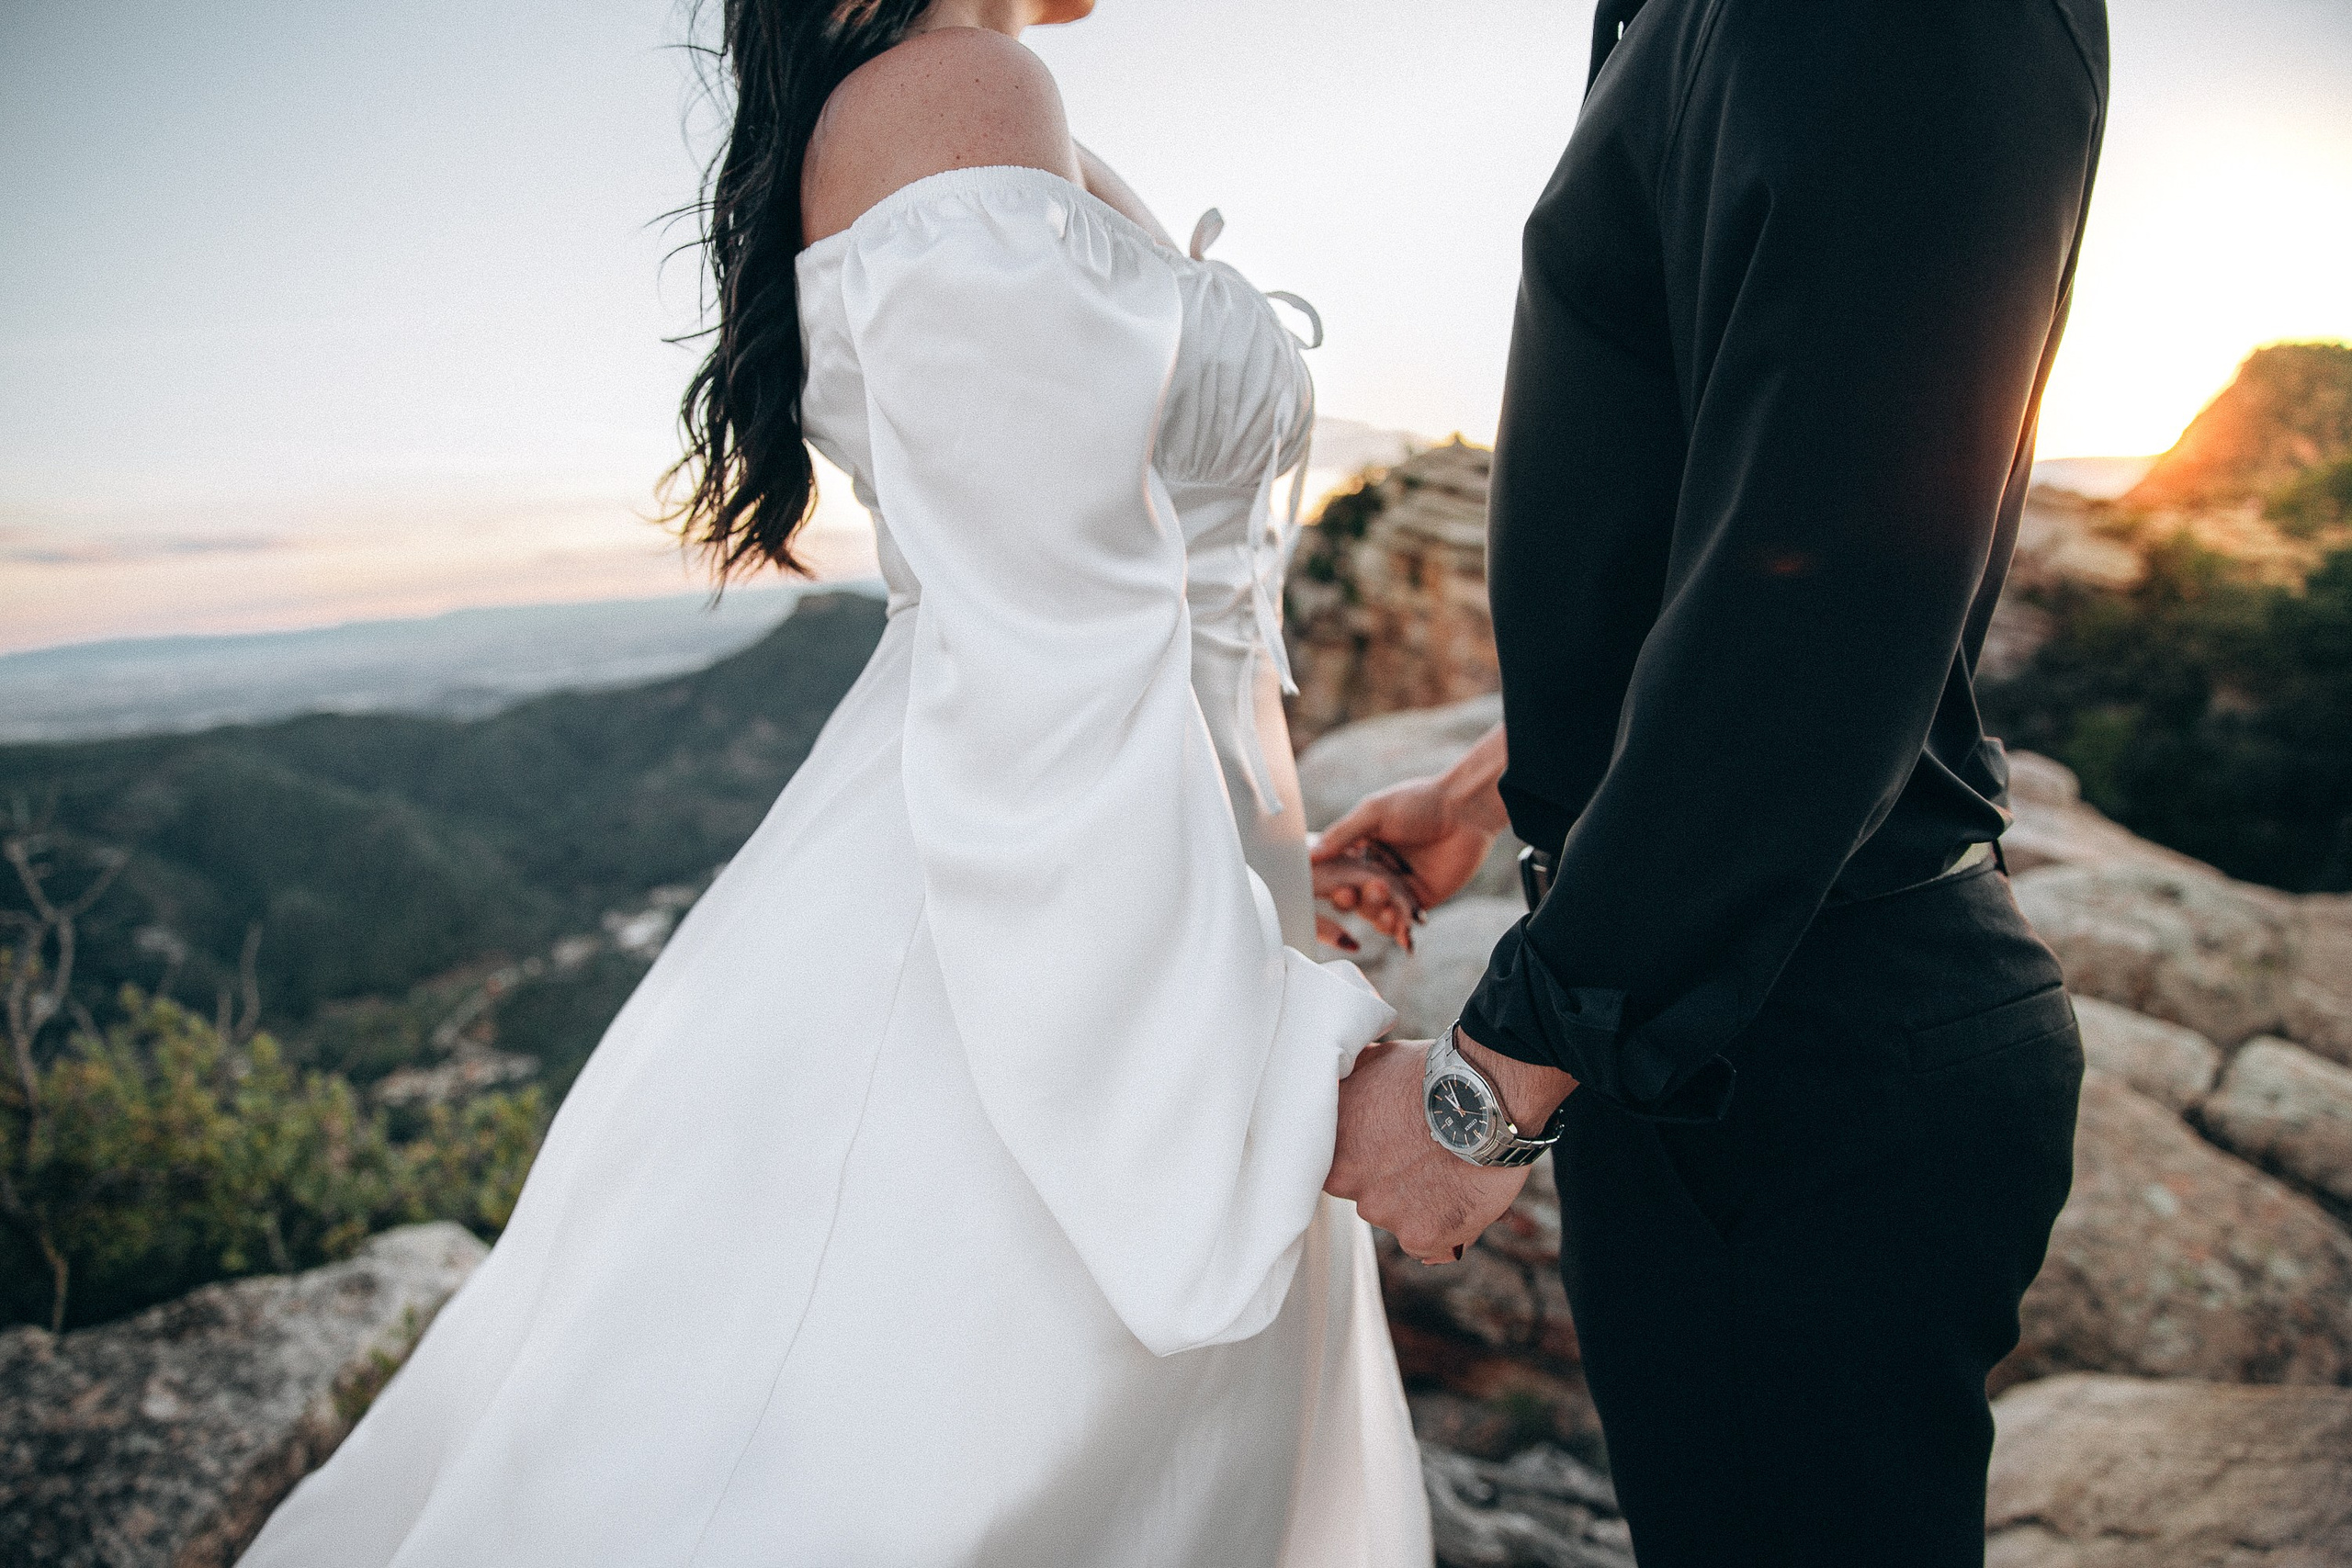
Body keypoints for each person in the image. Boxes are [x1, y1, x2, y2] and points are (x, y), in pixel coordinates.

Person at [238, 3, 1431, 1562]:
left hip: (1168, 894)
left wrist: (1257, 855)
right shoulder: (959, 89)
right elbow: (1039, 663)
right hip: (1019, 964)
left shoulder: (976, 100)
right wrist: (1300, 1102)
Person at [1319, 2, 2110, 1564]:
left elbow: (1825, 584)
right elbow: (1725, 507)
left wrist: (1491, 1087)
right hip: (1738, 1035)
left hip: (1807, 1050)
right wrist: (1492, 787)